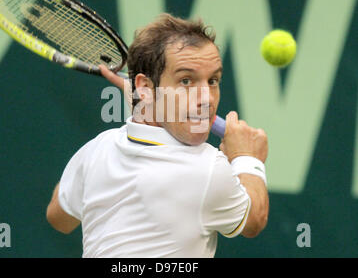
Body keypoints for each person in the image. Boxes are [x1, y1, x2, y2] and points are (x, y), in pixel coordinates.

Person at [46, 13, 269, 257]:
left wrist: (148, 107)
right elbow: (254, 220)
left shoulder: (95, 151)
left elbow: (59, 219)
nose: (206, 98)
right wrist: (248, 158)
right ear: (144, 87)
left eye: (213, 80)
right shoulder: (206, 168)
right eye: (186, 81)